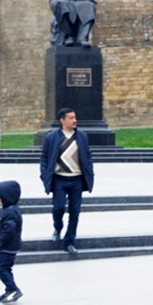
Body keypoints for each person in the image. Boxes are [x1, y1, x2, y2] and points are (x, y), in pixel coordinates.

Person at [39, 107, 95, 254]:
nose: (74, 120)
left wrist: (90, 172)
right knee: (58, 208)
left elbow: (88, 156)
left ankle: (69, 241)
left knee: (74, 212)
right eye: (71, 118)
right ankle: (58, 227)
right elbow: (44, 157)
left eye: (75, 117)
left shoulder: (82, 136)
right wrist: (44, 175)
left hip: (77, 180)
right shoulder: (51, 137)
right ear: (62, 120)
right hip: (59, 179)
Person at [0, 180, 24, 304]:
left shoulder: (10, 212)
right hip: (10, 246)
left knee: (0, 268)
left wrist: (1, 241)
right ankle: (9, 290)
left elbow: (9, 229)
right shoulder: (11, 209)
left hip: (8, 247)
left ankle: (13, 289)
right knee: (6, 268)